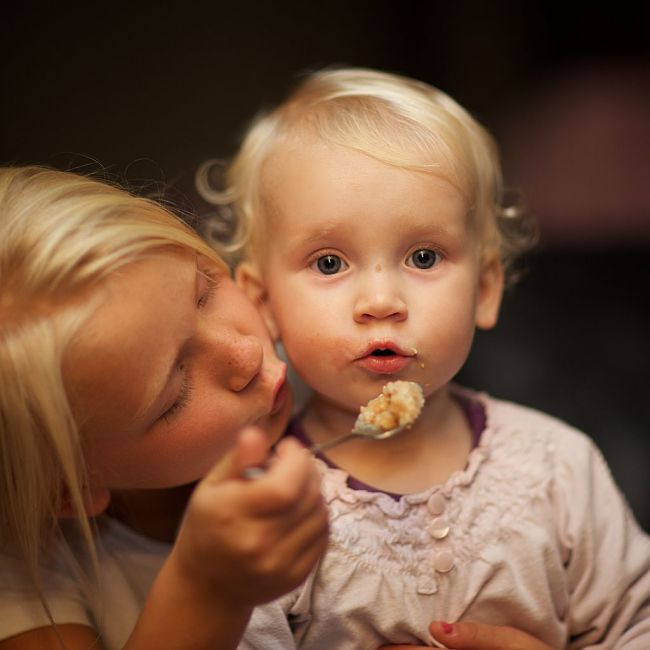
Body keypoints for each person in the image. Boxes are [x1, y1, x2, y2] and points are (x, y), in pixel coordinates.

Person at [198, 67, 650, 648]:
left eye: (424, 256)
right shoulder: (266, 512)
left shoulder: (560, 467)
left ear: (485, 288)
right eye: (330, 263)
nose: (382, 301)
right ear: (265, 305)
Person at [0, 165, 330, 650]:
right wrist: (207, 592)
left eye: (205, 292)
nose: (245, 354)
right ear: (68, 489)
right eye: (174, 395)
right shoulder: (32, 582)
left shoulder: (323, 362)